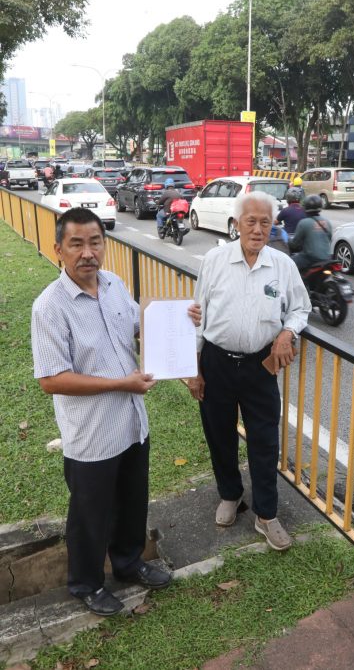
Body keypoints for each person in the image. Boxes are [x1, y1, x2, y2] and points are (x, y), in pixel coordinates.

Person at [31, 207, 201, 616]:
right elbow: (51, 379)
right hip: (91, 435)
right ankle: (86, 584)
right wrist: (119, 383)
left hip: (131, 423)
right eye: (77, 244)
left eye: (95, 242)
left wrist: (180, 319)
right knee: (90, 513)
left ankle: (128, 563)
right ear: (59, 249)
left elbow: (137, 328)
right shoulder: (49, 307)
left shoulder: (114, 284)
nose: (88, 252)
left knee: (131, 501)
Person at [188, 192, 311, 551]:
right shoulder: (214, 260)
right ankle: (230, 494)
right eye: (250, 221)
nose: (258, 229)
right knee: (219, 434)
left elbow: (301, 308)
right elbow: (199, 314)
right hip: (217, 362)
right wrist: (196, 369)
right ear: (237, 224)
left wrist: (287, 333)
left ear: (272, 225)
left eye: (264, 222)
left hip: (260, 366)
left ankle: (267, 514)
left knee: (264, 440)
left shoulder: (282, 265)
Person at [289, 195, 333, 274]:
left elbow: (294, 244)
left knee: (288, 263)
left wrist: (288, 241)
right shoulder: (327, 221)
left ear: (305, 208)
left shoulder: (304, 223)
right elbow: (329, 238)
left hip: (310, 259)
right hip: (327, 258)